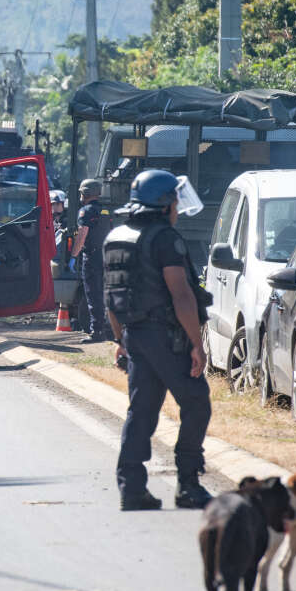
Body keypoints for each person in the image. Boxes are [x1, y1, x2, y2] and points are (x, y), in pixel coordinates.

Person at [103, 169, 215, 511]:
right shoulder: (165, 239)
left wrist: (120, 339)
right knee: (196, 402)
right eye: (175, 201)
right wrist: (197, 343)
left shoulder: (116, 236)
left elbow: (111, 296)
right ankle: (188, 484)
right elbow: (181, 295)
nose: (178, 208)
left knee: (141, 411)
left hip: (135, 336)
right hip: (167, 337)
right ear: (164, 203)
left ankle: (132, 488)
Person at [70, 179, 112, 343]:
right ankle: (108, 330)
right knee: (105, 294)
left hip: (92, 258)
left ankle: (97, 332)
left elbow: (82, 234)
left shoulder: (85, 211)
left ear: (85, 194)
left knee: (93, 295)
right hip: (106, 256)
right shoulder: (105, 211)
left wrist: (73, 256)